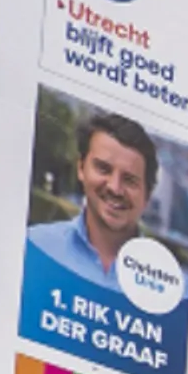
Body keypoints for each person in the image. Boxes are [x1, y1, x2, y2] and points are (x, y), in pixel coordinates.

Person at [27, 113, 162, 293]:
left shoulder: (172, 290)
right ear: (81, 168)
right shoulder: (34, 246)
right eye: (103, 169)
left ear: (147, 195)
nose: (115, 188)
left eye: (129, 180)